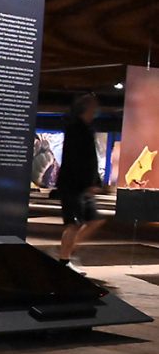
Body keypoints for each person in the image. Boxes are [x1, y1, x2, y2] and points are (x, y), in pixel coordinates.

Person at [57, 93, 105, 271]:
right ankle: (64, 260)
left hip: (83, 186)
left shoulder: (85, 129)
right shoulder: (76, 129)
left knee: (94, 221)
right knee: (74, 224)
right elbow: (76, 160)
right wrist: (88, 183)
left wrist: (94, 182)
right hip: (73, 186)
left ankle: (68, 250)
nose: (96, 110)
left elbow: (91, 160)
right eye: (93, 106)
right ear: (86, 108)